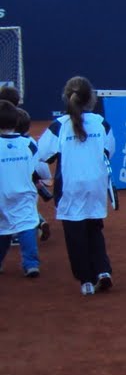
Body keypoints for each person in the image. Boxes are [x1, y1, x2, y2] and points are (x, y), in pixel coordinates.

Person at [32, 77, 115, 296]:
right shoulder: (101, 123)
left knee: (75, 235)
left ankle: (86, 281)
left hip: (69, 188)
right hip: (96, 185)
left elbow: (40, 155)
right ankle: (103, 271)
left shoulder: (58, 126)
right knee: (95, 229)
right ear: (91, 99)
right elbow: (109, 152)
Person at [0, 102, 46, 278]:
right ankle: (31, 264)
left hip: (2, 194)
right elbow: (37, 167)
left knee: (3, 228)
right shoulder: (29, 143)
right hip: (24, 194)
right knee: (27, 226)